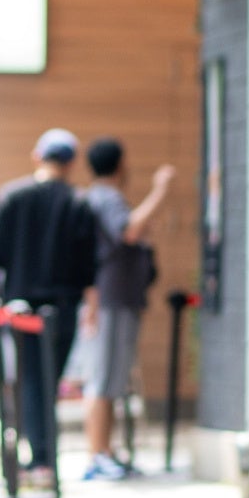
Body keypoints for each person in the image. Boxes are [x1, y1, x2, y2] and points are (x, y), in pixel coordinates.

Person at [0, 128, 98, 483]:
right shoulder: (79, 203)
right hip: (62, 304)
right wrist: (92, 305)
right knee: (48, 379)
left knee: (29, 378)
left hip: (18, 305)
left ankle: (38, 458)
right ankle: (44, 458)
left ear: (37, 156)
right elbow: (88, 263)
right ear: (72, 162)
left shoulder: (11, 197)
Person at [78, 138, 174, 480]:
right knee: (104, 379)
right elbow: (129, 230)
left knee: (112, 379)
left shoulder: (99, 198)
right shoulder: (106, 198)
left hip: (115, 299)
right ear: (120, 165)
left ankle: (105, 452)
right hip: (110, 300)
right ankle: (97, 456)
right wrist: (160, 191)